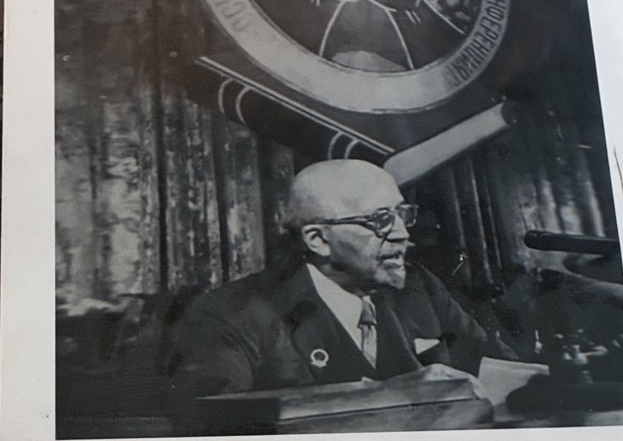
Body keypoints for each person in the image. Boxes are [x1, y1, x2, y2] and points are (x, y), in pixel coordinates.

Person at [169, 159, 506, 399]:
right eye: (380, 220)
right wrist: (394, 396)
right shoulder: (232, 316)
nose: (402, 234)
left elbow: (500, 370)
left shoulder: (420, 288)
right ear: (318, 239)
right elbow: (218, 438)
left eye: (402, 215)